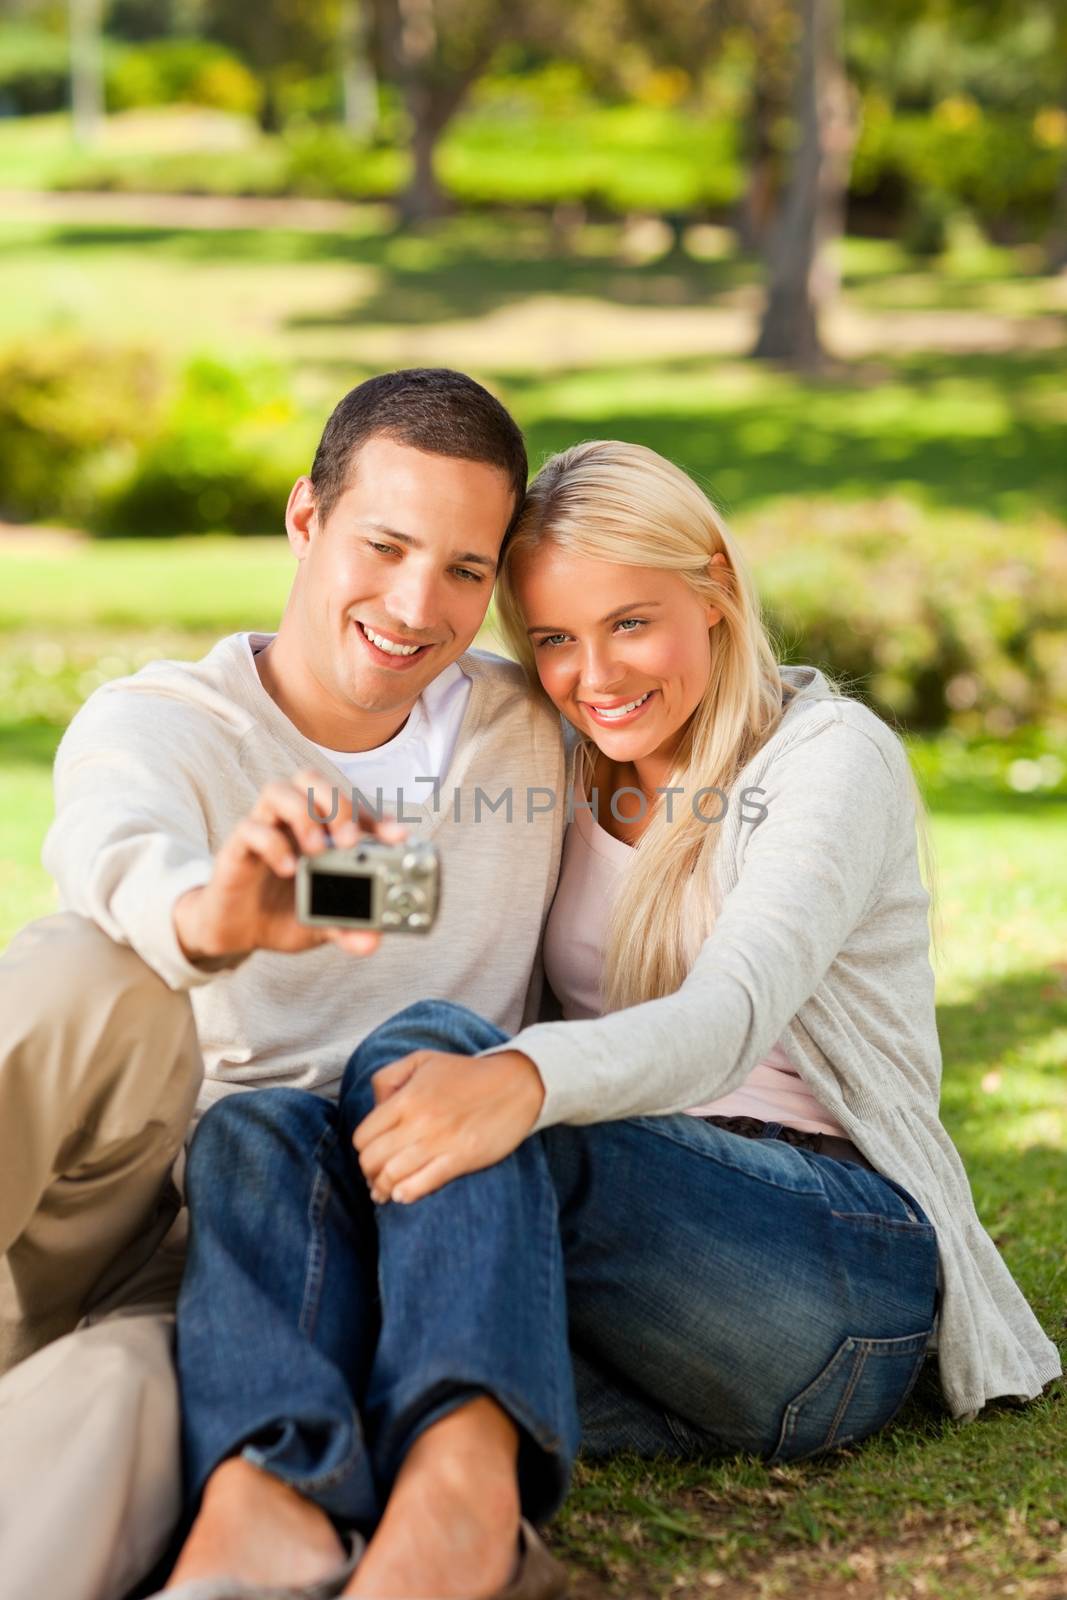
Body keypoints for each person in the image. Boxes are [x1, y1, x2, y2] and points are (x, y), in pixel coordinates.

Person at [163, 440, 1062, 1600]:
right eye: (551, 639)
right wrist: (231, 903)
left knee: (433, 1057)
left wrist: (519, 1079)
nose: (592, 675)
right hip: (631, 1310)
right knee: (261, 1137)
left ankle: (456, 1520)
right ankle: (270, 1505)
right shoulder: (550, 763)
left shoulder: (825, 762)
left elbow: (724, 1015)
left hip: (824, 1276)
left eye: (630, 624)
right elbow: (413, 891)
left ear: (717, 595)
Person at [0, 369, 569, 1600]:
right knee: (84, 966)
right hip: (80, 1191)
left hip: (242, 1271)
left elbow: (696, 715)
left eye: (466, 571)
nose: (417, 605)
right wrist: (214, 917)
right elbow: (115, 853)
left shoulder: (530, 741)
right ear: (304, 519)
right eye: (384, 544)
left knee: (101, 1424)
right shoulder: (163, 721)